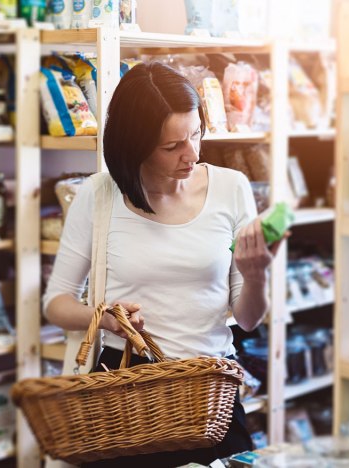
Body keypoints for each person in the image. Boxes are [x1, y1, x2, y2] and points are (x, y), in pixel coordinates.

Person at [43, 62, 282, 467]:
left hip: (210, 392)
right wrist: (105, 319)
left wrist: (257, 275)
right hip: (127, 392)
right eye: (172, 146)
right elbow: (56, 303)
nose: (191, 154)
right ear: (134, 146)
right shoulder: (99, 196)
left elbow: (248, 319)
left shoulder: (231, 188)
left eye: (196, 134)